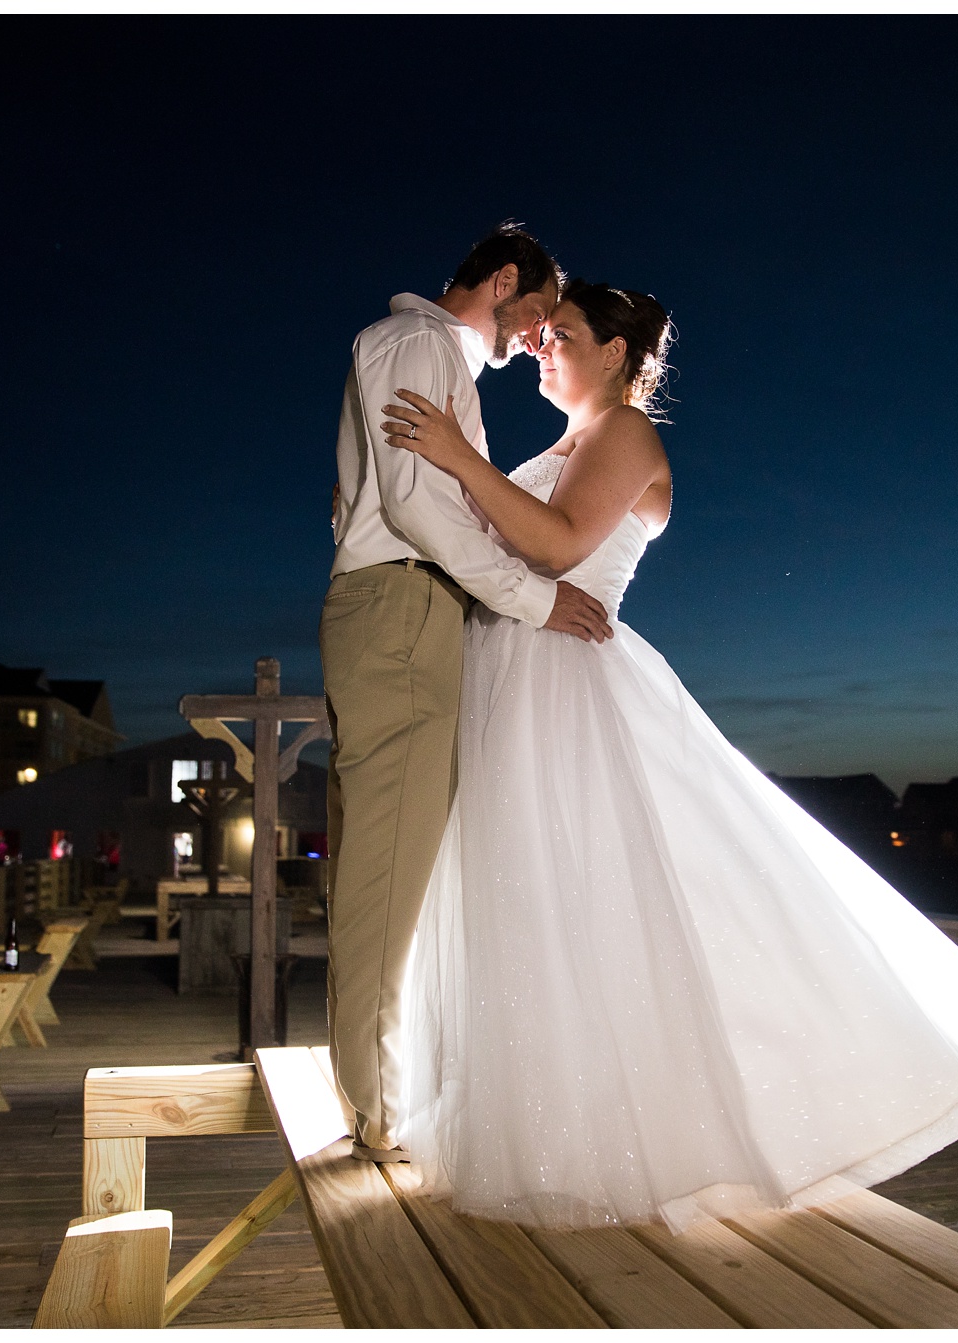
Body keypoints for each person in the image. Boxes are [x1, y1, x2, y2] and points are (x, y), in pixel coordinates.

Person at [377, 281, 958, 1231]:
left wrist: (453, 455)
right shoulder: (561, 445)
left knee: (592, 898)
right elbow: (490, 544)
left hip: (567, 682)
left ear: (614, 354)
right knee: (528, 902)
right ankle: (537, 1126)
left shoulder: (627, 435)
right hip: (508, 668)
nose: (540, 346)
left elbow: (561, 544)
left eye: (561, 334)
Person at [320, 224, 613, 1164]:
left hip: (407, 611)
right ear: (501, 279)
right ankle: (376, 1113)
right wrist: (534, 598)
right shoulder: (417, 344)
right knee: (388, 868)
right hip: (403, 604)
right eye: (536, 313)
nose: (537, 336)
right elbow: (413, 504)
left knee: (387, 858)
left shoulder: (422, 355)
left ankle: (372, 1091)